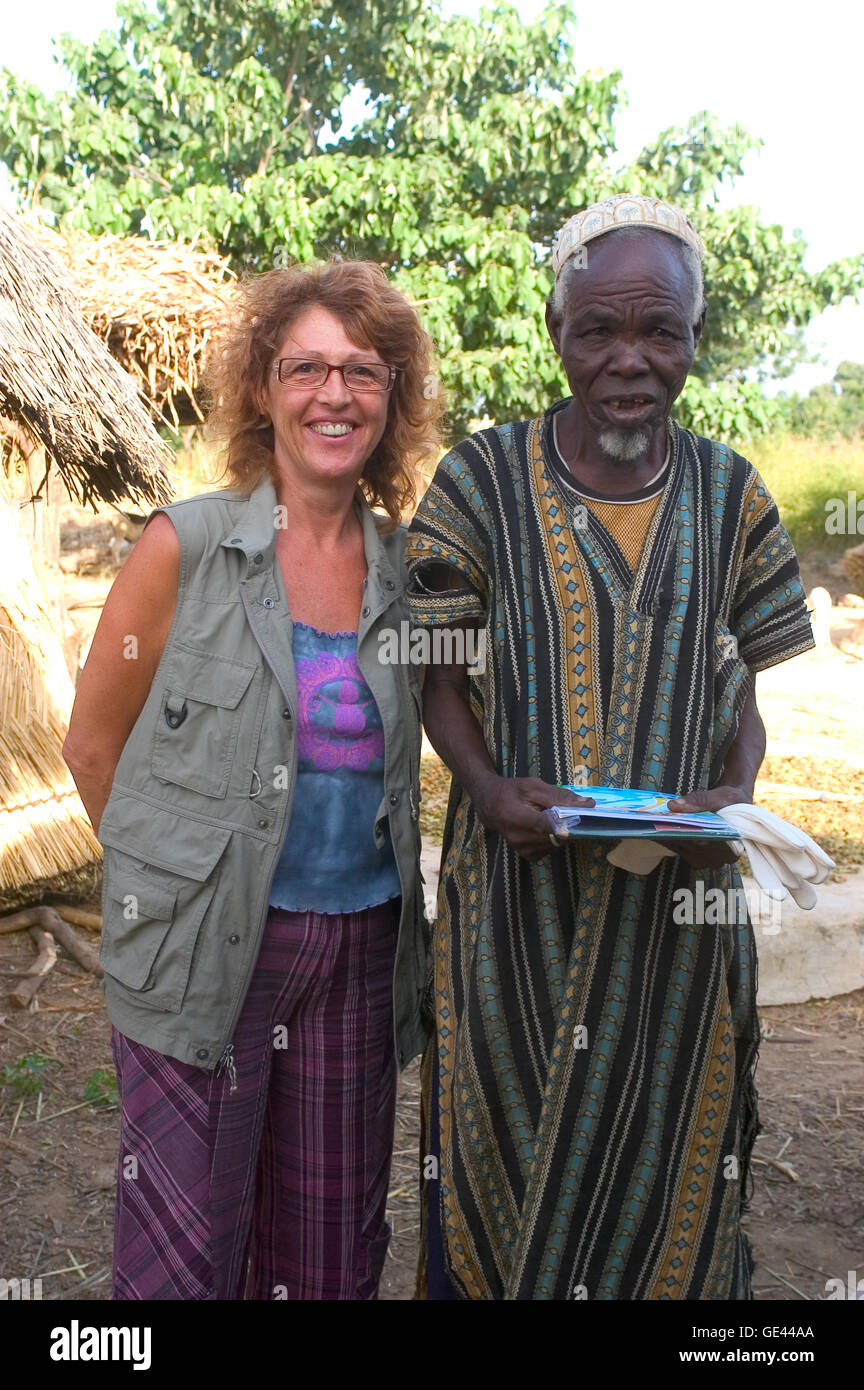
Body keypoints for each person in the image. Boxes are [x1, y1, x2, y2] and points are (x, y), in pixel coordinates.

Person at [405, 194, 815, 1300]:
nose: (630, 361)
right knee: (497, 1154)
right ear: (557, 333)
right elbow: (433, 676)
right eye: (600, 330)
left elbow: (747, 686)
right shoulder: (479, 484)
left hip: (676, 924)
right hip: (515, 910)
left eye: (660, 332)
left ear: (692, 336)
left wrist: (730, 796)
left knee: (671, 1176)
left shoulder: (731, 495)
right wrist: (487, 789)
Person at [62, 259, 441, 1300]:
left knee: (326, 1253)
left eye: (365, 372)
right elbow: (93, 747)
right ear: (263, 387)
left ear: (394, 397)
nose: (335, 394)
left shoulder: (409, 571)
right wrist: (180, 884)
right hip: (206, 952)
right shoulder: (184, 547)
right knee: (188, 1253)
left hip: (362, 947)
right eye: (307, 366)